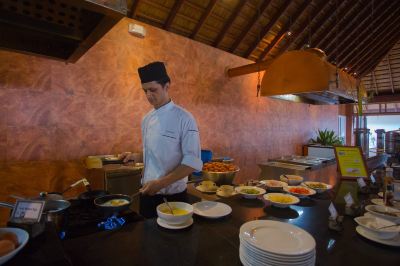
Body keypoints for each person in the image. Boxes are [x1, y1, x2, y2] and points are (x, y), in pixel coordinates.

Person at [120, 61, 203, 218]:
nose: (148, 96)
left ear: (167, 86)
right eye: (145, 91)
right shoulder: (146, 119)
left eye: (153, 90)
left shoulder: (184, 118)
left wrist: (160, 184)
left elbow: (192, 162)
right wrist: (135, 156)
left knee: (173, 242)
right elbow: (154, 153)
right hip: (147, 194)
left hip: (173, 198)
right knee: (147, 240)